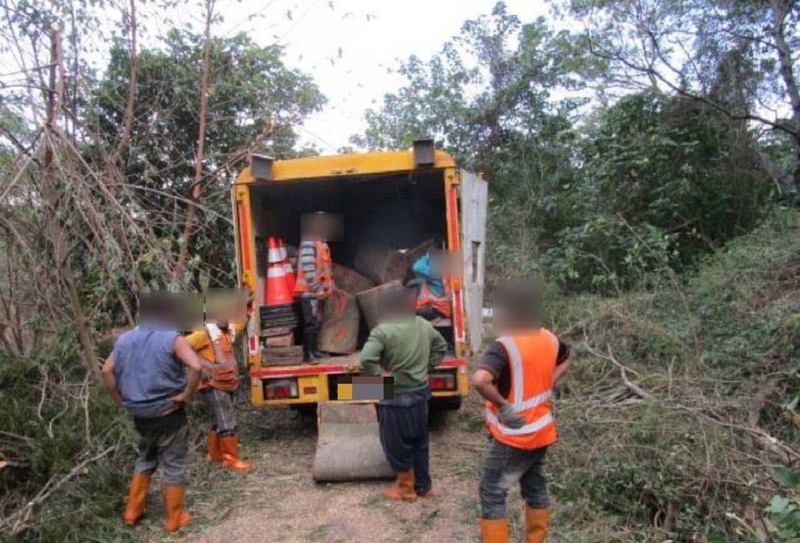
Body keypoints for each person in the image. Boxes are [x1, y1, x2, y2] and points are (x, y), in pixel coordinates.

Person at [470, 280, 574, 543]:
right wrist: (550, 380)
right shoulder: (549, 338)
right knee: (535, 487)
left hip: (512, 436)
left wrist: (504, 407)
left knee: (492, 491)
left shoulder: (504, 346)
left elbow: (480, 380)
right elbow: (569, 356)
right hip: (541, 431)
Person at [101, 292, 203, 534]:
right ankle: (174, 518)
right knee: (173, 463)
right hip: (168, 411)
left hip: (140, 414)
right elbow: (196, 366)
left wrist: (120, 400)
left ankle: (132, 512)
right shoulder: (171, 338)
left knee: (145, 458)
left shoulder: (124, 340)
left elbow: (107, 371)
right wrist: (187, 395)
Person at [356, 285, 448, 502]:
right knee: (419, 442)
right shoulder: (423, 325)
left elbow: (366, 359)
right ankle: (424, 487)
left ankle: (406, 490)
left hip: (393, 393)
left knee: (398, 444)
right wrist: (429, 366)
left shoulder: (383, 330)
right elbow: (441, 346)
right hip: (420, 394)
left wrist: (378, 377)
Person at [184, 290, 254, 472]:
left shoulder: (227, 330)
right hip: (213, 385)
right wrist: (195, 368)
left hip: (226, 384)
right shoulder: (203, 334)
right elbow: (180, 346)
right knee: (226, 420)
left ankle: (214, 455)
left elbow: (241, 322)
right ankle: (231, 460)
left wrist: (247, 305)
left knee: (217, 419)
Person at [295, 212, 335, 363]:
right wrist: (316, 287)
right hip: (309, 292)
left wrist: (327, 287)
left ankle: (315, 350)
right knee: (311, 323)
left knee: (317, 322)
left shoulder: (321, 242)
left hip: (318, 292)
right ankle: (308, 354)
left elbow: (324, 269)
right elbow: (308, 266)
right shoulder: (308, 241)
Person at [406, 243, 452, 321]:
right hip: (442, 309)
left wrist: (427, 256)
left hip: (439, 310)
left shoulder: (436, 272)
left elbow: (417, 267)